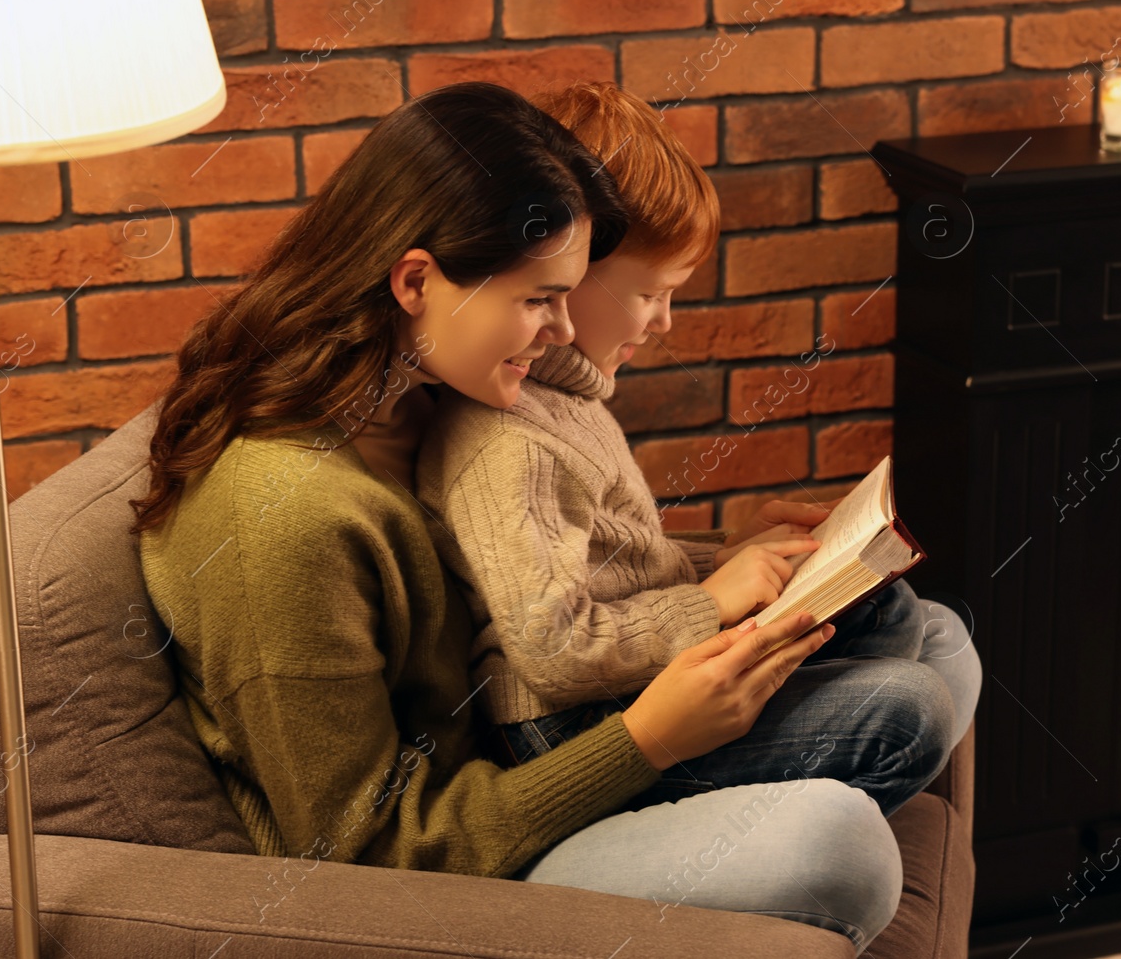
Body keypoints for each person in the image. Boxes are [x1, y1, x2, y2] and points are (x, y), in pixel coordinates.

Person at [130, 81, 903, 953]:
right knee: (845, 843)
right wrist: (646, 739)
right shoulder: (281, 521)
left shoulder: (412, 401)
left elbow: (530, 563)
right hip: (448, 872)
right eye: (538, 298)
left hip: (514, 763)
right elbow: (370, 846)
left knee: (925, 632)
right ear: (416, 279)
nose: (565, 331)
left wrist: (716, 560)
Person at [415, 81, 981, 819]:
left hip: (628, 673)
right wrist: (712, 599)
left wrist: (737, 555)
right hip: (574, 727)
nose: (665, 322)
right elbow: (552, 647)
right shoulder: (509, 438)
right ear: (571, 265)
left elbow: (610, 561)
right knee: (908, 707)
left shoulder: (567, 399)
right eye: (652, 293)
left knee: (894, 611)